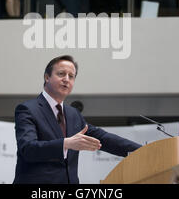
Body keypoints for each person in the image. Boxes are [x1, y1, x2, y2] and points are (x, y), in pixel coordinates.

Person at [13, 55, 142, 184]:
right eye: (61, 74)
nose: (66, 79)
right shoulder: (28, 109)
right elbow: (28, 149)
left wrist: (143, 152)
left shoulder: (72, 114)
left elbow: (103, 138)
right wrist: (65, 143)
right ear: (47, 77)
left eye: (71, 76)